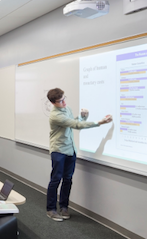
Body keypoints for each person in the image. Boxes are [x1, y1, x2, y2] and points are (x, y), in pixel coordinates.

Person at [45, 88, 112, 222]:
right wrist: (99, 122)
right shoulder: (55, 115)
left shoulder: (67, 108)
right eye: (60, 101)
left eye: (64, 98)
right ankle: (51, 209)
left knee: (68, 179)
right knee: (56, 180)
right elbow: (75, 125)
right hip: (58, 150)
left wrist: (82, 116)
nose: (64, 102)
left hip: (70, 150)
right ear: (53, 102)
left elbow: (73, 121)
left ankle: (64, 207)